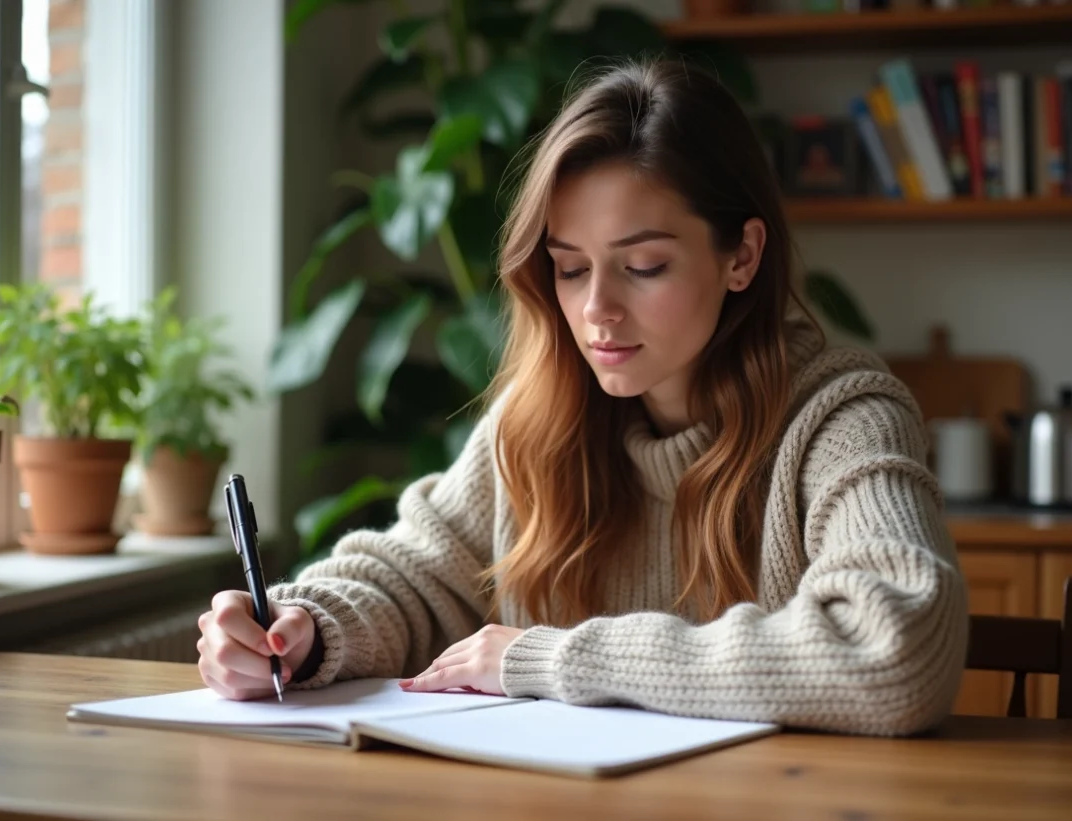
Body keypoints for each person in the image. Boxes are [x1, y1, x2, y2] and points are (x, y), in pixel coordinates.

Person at [197, 56, 969, 737]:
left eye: (643, 266)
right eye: (570, 267)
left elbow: (895, 649)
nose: (597, 308)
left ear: (742, 255)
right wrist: (303, 627)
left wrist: (552, 657)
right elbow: (411, 575)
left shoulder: (841, 417)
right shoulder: (543, 419)